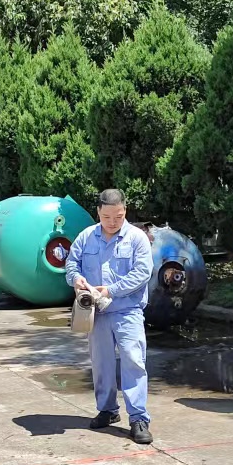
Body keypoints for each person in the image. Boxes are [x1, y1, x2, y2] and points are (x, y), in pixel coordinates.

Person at [65, 189, 155, 445]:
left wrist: (111, 290)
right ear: (98, 212)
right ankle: (107, 410)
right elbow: (71, 263)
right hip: (96, 313)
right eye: (106, 217)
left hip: (128, 311)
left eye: (118, 216)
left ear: (125, 211)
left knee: (133, 362)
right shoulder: (86, 237)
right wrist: (76, 279)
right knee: (101, 363)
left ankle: (138, 419)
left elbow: (142, 272)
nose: (112, 222)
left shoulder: (137, 238)